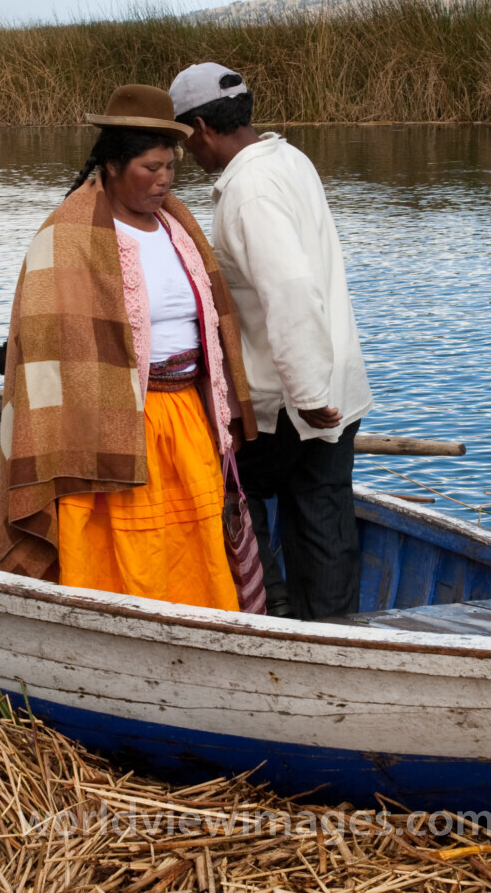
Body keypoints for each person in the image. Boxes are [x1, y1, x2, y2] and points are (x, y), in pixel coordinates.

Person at [0, 84, 259, 611]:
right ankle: (111, 624)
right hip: (109, 422)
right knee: (126, 541)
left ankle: (202, 623)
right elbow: (46, 339)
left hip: (185, 414)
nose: (164, 179)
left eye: (171, 167)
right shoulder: (70, 234)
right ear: (112, 166)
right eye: (150, 168)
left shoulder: (177, 226)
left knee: (192, 539)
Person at [169, 62, 373, 620]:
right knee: (323, 514)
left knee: (231, 486)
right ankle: (335, 633)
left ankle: (270, 608)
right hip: (336, 379)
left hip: (291, 397)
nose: (186, 154)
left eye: (185, 140)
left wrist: (306, 394)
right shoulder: (289, 159)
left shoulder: (248, 192)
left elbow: (290, 290)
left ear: (202, 128)